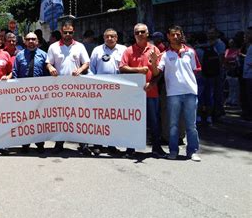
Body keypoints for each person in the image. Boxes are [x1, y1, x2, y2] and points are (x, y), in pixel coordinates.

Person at [120, 23, 165, 158]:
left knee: (154, 121)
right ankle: (130, 148)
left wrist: (152, 83)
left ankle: (156, 148)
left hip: (151, 91)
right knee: (133, 121)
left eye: (142, 32)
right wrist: (138, 70)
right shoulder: (128, 50)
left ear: (147, 33)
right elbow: (122, 67)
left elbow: (159, 72)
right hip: (133, 93)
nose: (140, 34)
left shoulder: (154, 50)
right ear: (134, 35)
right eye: (137, 32)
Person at [157, 25, 201, 161]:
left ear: (182, 35)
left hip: (190, 92)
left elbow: (196, 69)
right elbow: (157, 71)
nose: (175, 37)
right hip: (173, 93)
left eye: (178, 34)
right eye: (172, 34)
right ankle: (173, 150)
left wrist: (188, 82)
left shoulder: (191, 52)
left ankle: (192, 151)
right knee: (173, 125)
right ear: (168, 36)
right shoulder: (164, 54)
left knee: (191, 125)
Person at [46, 20, 90, 154]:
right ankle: (59, 143)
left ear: (73, 32)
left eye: (70, 32)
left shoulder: (80, 46)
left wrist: (80, 69)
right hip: (59, 88)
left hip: (76, 87)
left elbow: (86, 63)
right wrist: (51, 68)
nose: (68, 35)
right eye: (65, 32)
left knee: (80, 115)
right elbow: (48, 63)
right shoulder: (53, 47)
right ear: (61, 32)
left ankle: (84, 144)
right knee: (61, 116)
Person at [89, 28, 127, 156]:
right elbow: (91, 69)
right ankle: (97, 145)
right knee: (99, 117)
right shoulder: (97, 50)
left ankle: (112, 145)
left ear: (117, 37)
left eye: (112, 36)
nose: (109, 39)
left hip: (118, 89)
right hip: (100, 90)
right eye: (107, 36)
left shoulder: (123, 50)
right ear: (104, 38)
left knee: (113, 117)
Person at [13, 32, 48, 153]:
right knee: (25, 119)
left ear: (38, 41)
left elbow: (47, 75)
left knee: (39, 119)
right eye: (28, 39)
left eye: (33, 39)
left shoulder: (44, 56)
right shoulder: (19, 56)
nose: (31, 41)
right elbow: (15, 73)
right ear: (25, 41)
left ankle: (40, 143)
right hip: (23, 94)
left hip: (40, 94)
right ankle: (25, 143)